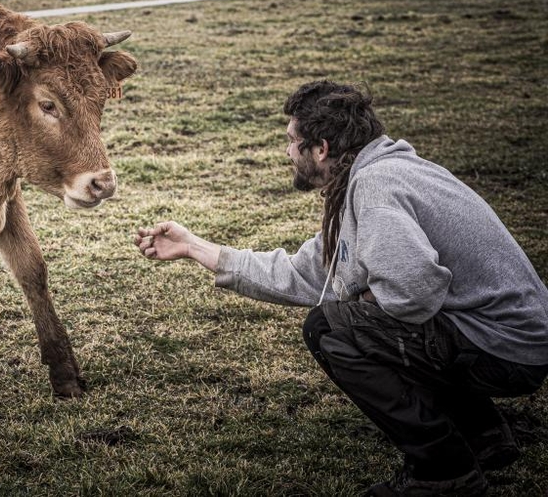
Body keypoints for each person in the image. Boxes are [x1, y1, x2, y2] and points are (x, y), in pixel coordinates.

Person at [134, 80, 548, 496]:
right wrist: (194, 247)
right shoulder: (377, 174)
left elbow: (414, 291)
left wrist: (359, 297)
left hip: (506, 350)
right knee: (358, 320)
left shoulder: (375, 186)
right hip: (511, 339)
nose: (287, 153)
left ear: (321, 149)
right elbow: (306, 274)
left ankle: (443, 471)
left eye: (292, 142)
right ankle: (484, 436)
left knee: (334, 328)